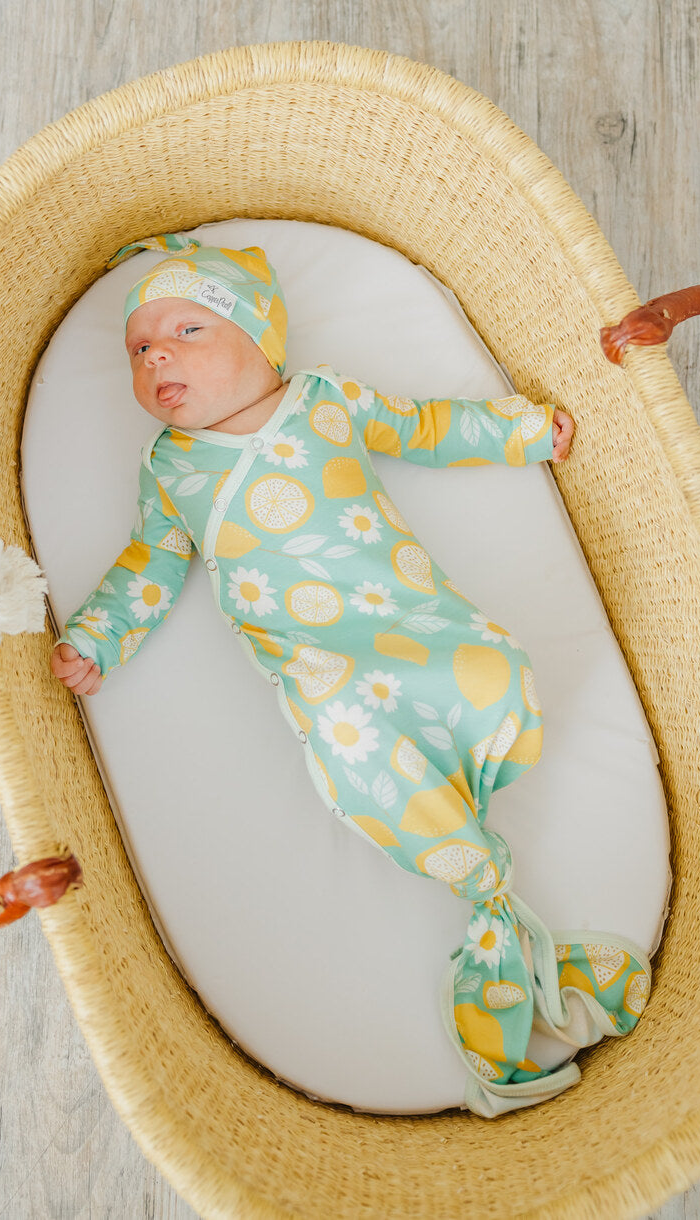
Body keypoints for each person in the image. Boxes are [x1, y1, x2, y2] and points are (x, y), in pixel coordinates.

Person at [51, 232, 649, 1117]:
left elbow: (427, 426)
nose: (156, 356)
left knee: (492, 670)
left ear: (262, 340)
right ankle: (476, 882)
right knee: (347, 726)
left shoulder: (323, 403)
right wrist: (99, 637)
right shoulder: (172, 471)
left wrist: (523, 430)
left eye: (185, 331)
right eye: (138, 349)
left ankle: (467, 778)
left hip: (415, 626)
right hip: (327, 668)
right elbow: (151, 565)